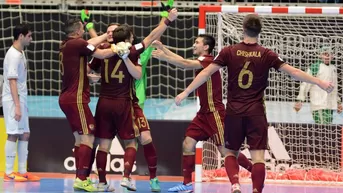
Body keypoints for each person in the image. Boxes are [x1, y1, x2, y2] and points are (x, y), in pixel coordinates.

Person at [174, 14, 334, 193]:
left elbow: (205, 74)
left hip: (234, 111)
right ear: (260, 31)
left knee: (230, 153)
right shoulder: (266, 53)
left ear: (243, 29)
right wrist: (320, 82)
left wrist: (186, 91)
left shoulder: (229, 51)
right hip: (256, 112)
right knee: (258, 158)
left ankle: (235, 185)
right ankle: (257, 190)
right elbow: (293, 72)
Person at [88, 7, 178, 192]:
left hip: (104, 102)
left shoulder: (103, 49)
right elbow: (151, 37)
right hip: (124, 103)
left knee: (104, 144)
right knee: (131, 142)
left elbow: (91, 62)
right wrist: (168, 20)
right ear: (128, 38)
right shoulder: (132, 50)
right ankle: (126, 178)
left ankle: (102, 182)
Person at [151, 36, 253, 192]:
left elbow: (184, 64)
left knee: (225, 151)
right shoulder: (201, 59)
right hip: (203, 114)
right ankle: (186, 184)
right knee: (188, 143)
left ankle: (253, 172)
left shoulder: (209, 60)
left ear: (206, 47)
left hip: (215, 113)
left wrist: (164, 57)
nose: (194, 44)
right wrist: (164, 48)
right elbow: (183, 60)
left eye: (197, 42)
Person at [58, 18, 124, 191]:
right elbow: (101, 54)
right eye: (83, 29)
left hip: (66, 98)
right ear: (79, 31)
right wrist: (119, 47)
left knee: (80, 139)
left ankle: (80, 178)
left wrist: (106, 35)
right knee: (88, 136)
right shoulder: (77, 43)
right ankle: (81, 179)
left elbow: (89, 43)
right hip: (76, 99)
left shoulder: (66, 44)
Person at [2, 23, 40, 182]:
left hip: (21, 99)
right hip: (12, 100)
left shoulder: (21, 52)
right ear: (21, 36)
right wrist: (17, 106)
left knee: (25, 134)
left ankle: (22, 170)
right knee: (13, 134)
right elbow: (12, 82)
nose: (31, 39)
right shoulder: (13, 55)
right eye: (29, 36)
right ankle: (8, 172)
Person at [294, 47, 342, 124]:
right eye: (324, 54)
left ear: (332, 56)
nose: (327, 56)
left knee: (328, 128)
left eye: (329, 54)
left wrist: (338, 102)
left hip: (329, 105)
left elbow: (334, 87)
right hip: (318, 103)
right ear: (320, 55)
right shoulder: (315, 67)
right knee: (322, 127)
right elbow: (305, 83)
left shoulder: (333, 68)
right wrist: (300, 99)